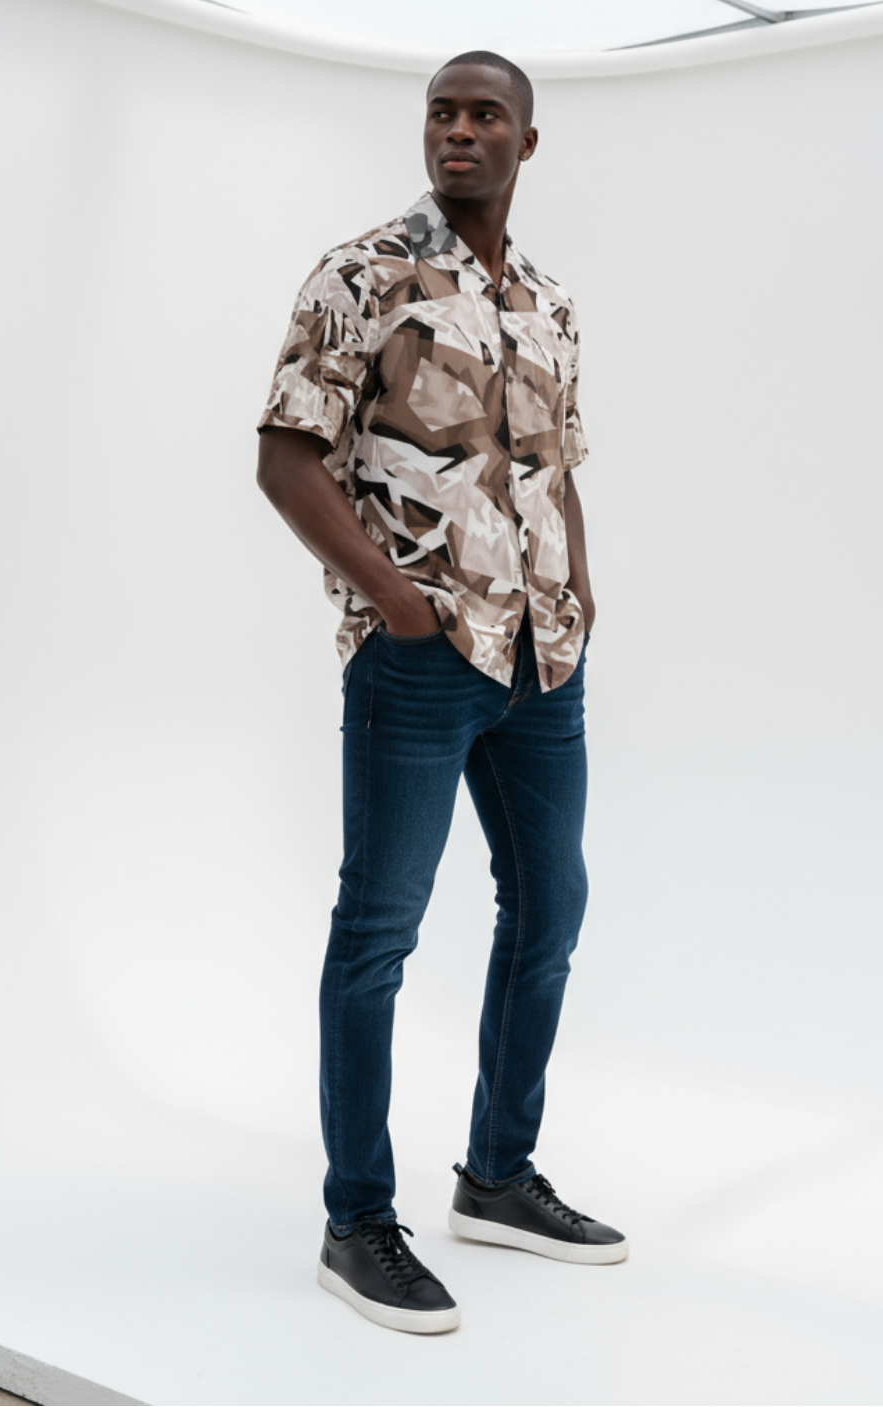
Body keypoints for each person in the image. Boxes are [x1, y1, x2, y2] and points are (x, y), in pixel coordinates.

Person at [256, 49, 627, 1335]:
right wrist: (399, 604)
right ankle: (357, 1217)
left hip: (542, 664)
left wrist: (579, 589)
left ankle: (498, 1174)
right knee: (379, 935)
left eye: (486, 117)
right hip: (420, 664)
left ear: (531, 142)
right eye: (442, 113)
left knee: (550, 910)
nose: (459, 133)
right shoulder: (362, 273)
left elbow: (560, 464)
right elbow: (286, 460)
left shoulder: (552, 303)